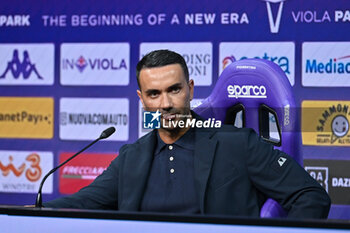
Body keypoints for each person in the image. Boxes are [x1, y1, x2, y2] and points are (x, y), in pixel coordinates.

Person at [43, 50, 331, 218]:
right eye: (154, 94)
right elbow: (81, 203)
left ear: (190, 90)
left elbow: (311, 196)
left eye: (174, 90)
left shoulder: (238, 144)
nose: (165, 103)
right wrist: (26, 212)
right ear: (142, 99)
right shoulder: (131, 157)